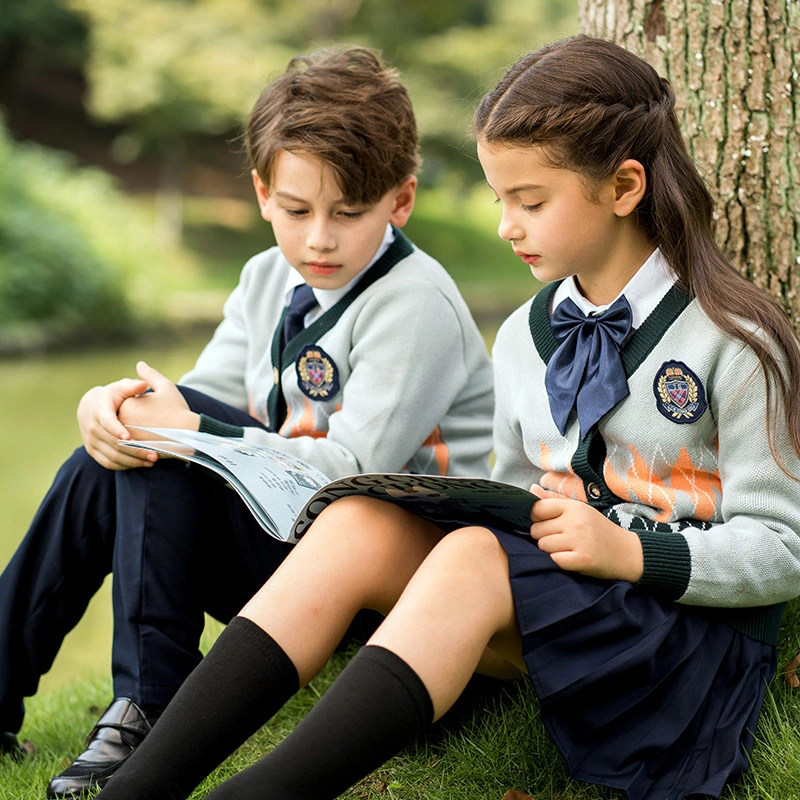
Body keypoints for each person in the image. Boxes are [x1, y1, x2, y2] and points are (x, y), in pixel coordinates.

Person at [92, 34, 800, 800]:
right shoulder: (528, 336)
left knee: (469, 557)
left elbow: (784, 545)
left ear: (624, 187)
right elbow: (517, 497)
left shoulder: (736, 340)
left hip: (682, 634)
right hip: (569, 608)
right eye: (500, 201)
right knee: (358, 520)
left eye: (530, 202)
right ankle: (141, 788)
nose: (506, 227)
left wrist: (629, 553)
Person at [0, 45, 495, 798]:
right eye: (297, 211)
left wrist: (186, 427)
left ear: (400, 201)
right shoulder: (267, 277)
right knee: (116, 455)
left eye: (348, 213)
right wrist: (108, 407)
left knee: (174, 438)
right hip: (287, 554)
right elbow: (195, 394)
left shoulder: (414, 302)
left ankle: (151, 702)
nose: (319, 239)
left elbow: (350, 469)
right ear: (263, 193)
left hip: (390, 596)